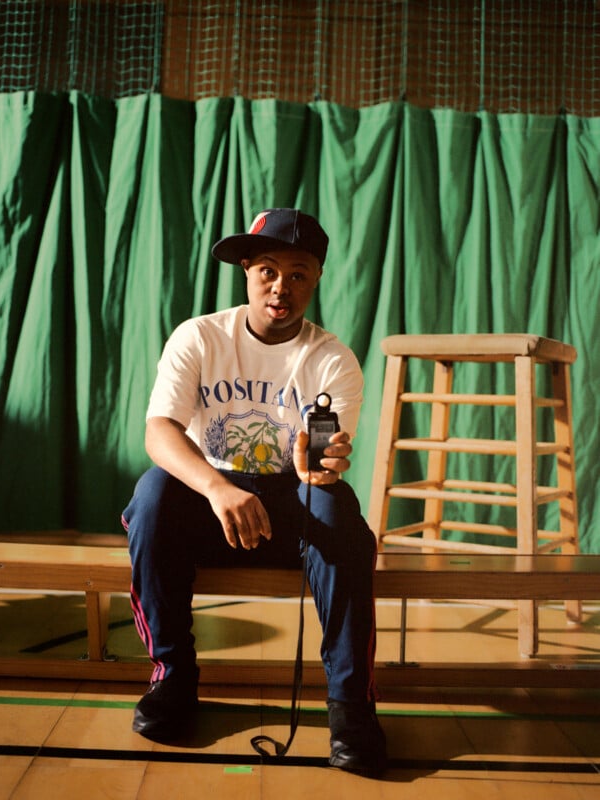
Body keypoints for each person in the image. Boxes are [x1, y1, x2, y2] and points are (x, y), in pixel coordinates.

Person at [122, 208, 386, 777]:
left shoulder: (332, 360)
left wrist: (317, 465)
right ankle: (173, 678)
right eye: (267, 269)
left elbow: (323, 456)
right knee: (151, 497)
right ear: (246, 270)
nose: (280, 287)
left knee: (337, 511)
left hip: (290, 505)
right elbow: (159, 430)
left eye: (297, 273)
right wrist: (217, 488)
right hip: (213, 501)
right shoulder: (199, 336)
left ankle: (351, 707)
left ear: (315, 278)